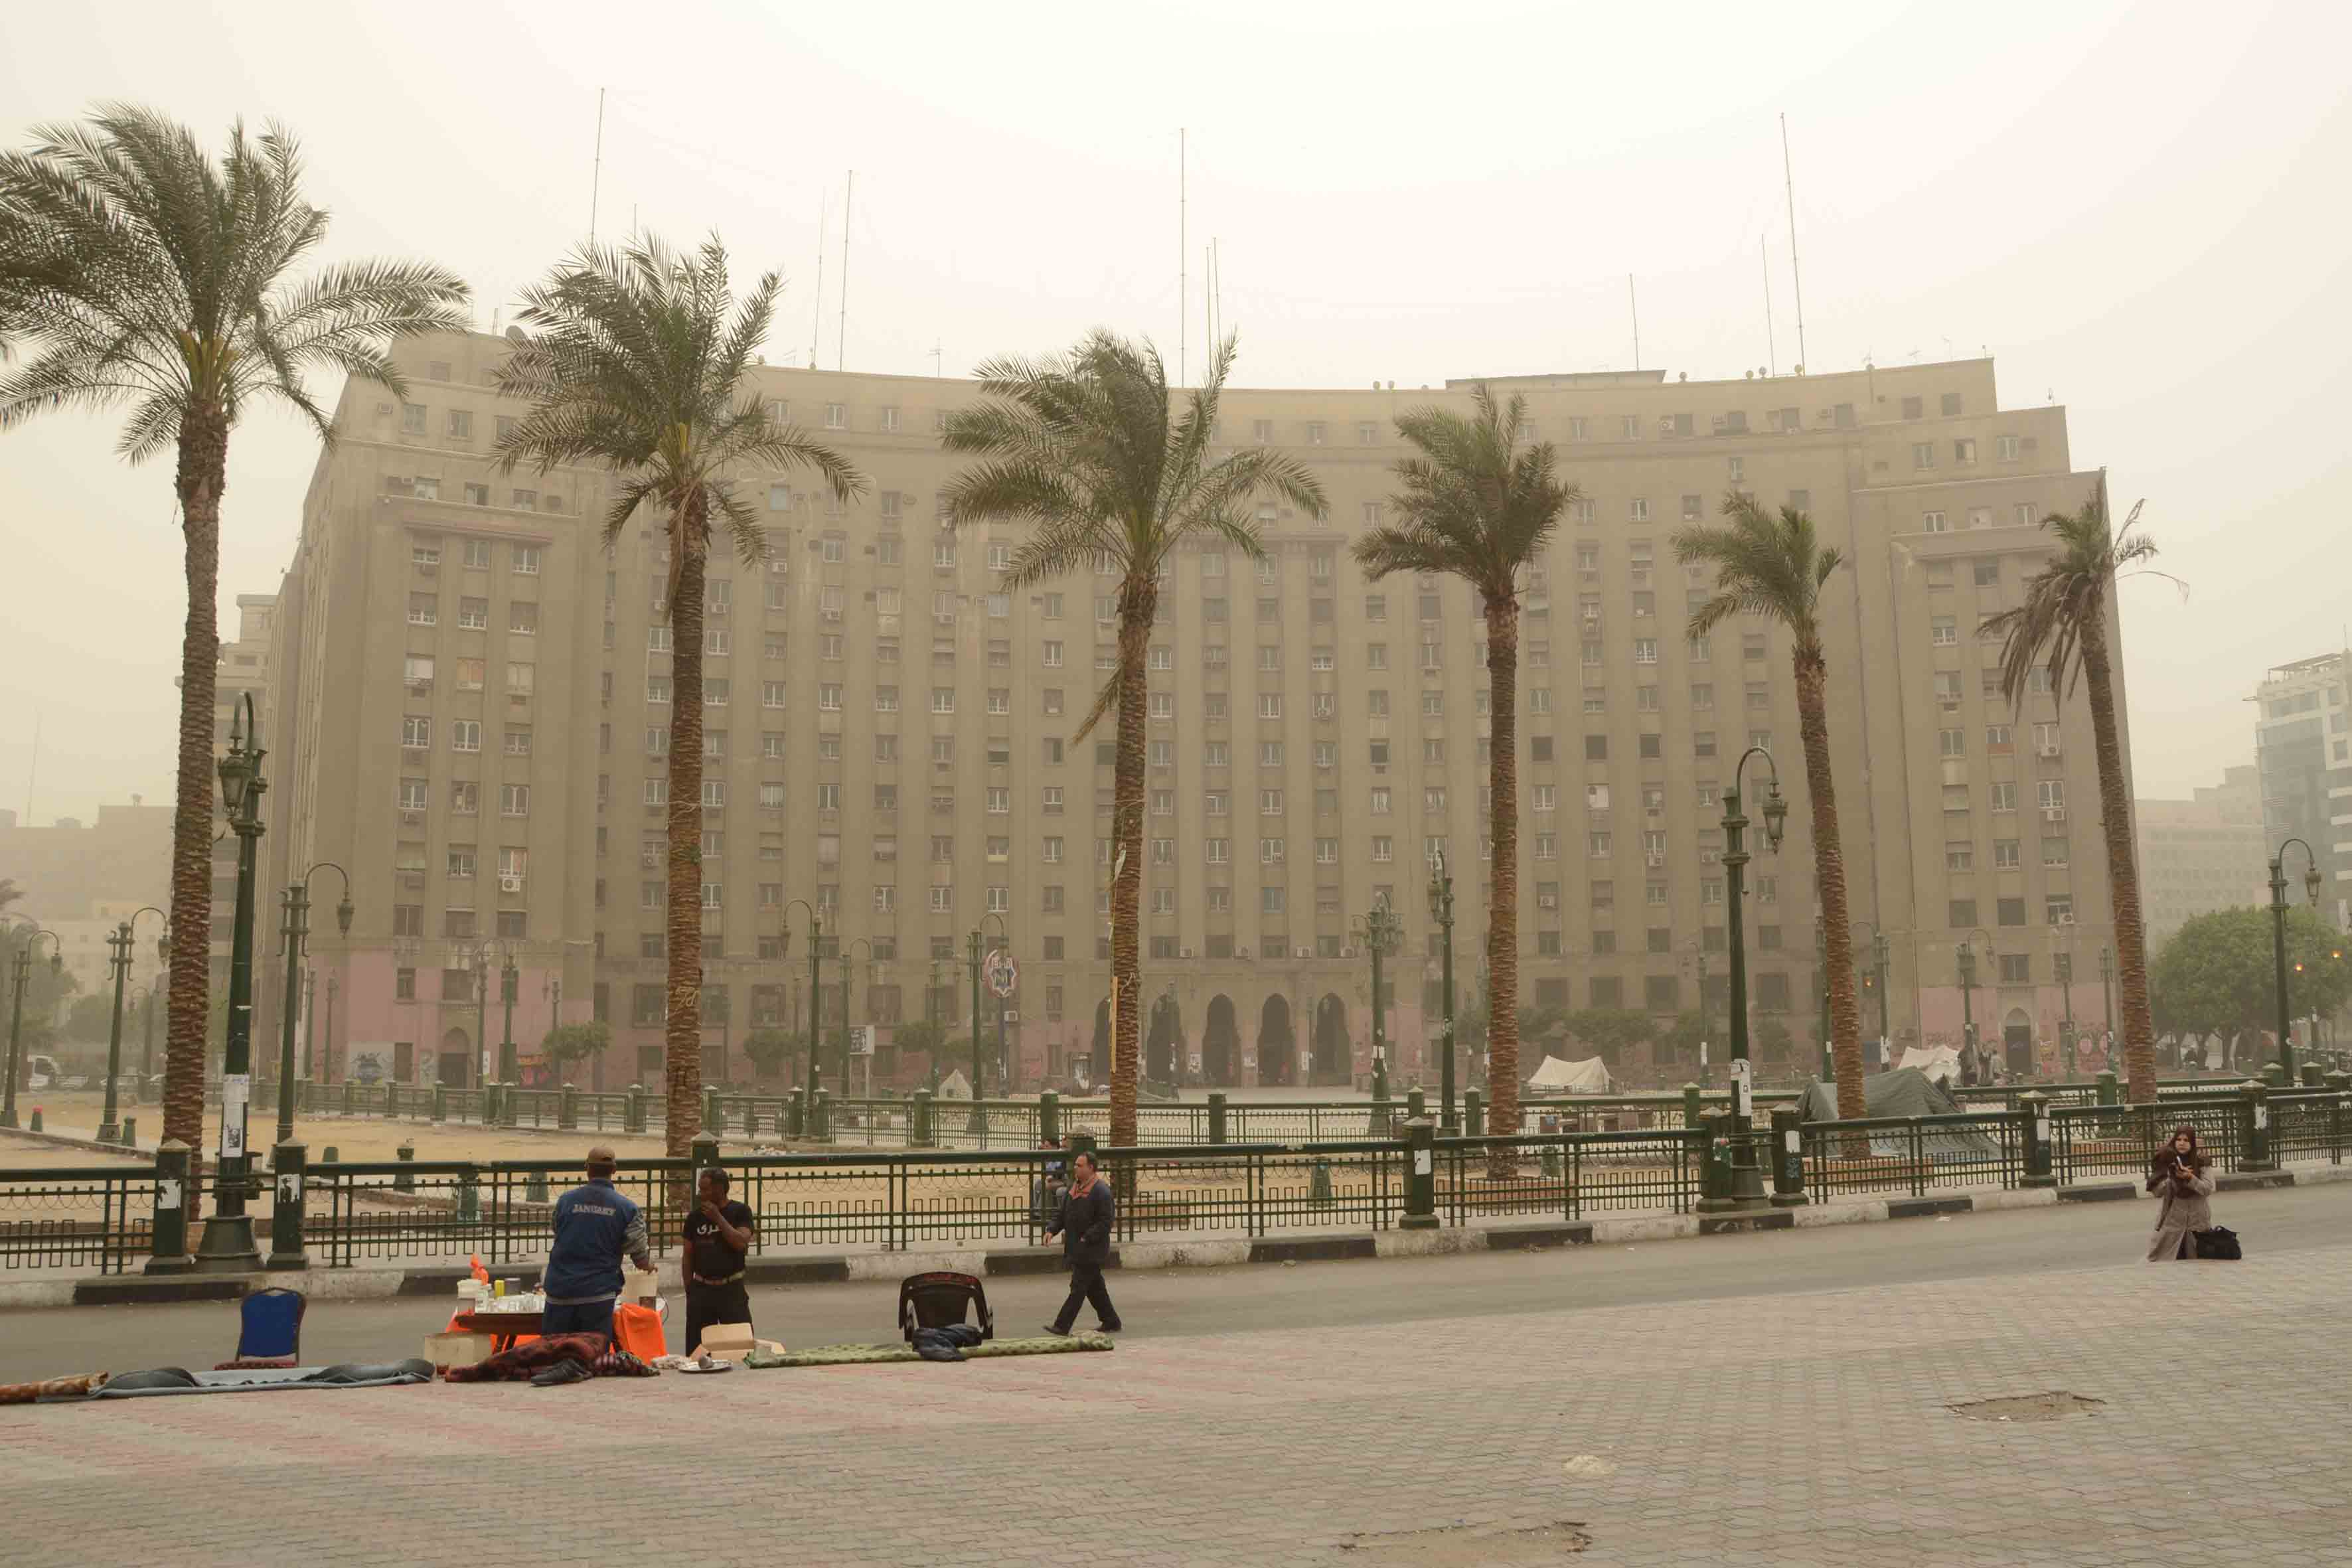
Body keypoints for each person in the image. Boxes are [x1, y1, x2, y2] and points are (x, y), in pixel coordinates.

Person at [542, 1146, 653, 1340]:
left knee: (554, 1351)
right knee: (592, 1354)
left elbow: (558, 1231)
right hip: (597, 1295)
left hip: (559, 1293)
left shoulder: (565, 1202)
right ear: (614, 1170)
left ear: (587, 1168)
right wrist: (650, 1266)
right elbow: (640, 1258)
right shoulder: (628, 1209)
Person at [1043, 1148, 1121, 1336]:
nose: (1075, 1168)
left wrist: (1087, 1237)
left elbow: (1105, 1222)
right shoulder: (1074, 1187)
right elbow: (1062, 1214)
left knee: (1078, 1288)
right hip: (1077, 1247)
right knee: (1095, 1289)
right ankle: (1111, 1321)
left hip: (1091, 1249)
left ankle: (1062, 1326)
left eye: (1079, 1165)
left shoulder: (1101, 1191)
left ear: (1091, 1168)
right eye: (1076, 1165)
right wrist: (1051, 1230)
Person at [681, 1166, 757, 1355]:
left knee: (741, 1349)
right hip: (702, 1290)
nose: (700, 1194)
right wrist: (690, 1291)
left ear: (720, 1189)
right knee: (697, 1351)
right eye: (700, 1189)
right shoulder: (694, 1218)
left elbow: (740, 1243)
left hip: (731, 1289)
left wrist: (718, 1218)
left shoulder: (740, 1211)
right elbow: (688, 1256)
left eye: (705, 1189)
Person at [2146, 1125, 2217, 1262]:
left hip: (2197, 1225)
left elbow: (2208, 1189)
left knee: (2199, 1264)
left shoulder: (2202, 1162)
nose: (2182, 1143)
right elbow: (2157, 1192)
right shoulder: (2167, 1161)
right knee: (2163, 1263)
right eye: (2179, 1139)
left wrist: (2190, 1178)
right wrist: (2172, 1177)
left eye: (2186, 1140)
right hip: (2172, 1225)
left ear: (2192, 1143)